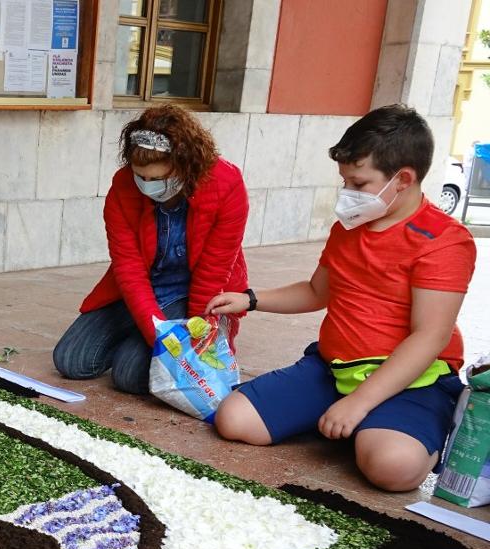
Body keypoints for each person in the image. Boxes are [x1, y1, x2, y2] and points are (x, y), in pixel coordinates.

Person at [208, 105, 475, 492]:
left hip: (412, 381)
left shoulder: (444, 241)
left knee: (393, 469)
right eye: (345, 181)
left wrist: (360, 402)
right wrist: (250, 299)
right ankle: (356, 425)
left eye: (359, 183)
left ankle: (391, 425)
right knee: (233, 420)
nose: (348, 193)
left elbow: (429, 337)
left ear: (402, 179)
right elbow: (317, 291)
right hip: (334, 368)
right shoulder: (348, 228)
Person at [53, 104, 249, 393]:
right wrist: (153, 329)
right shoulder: (122, 188)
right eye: (140, 176)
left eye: (158, 179)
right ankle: (143, 330)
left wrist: (196, 334)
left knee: (128, 375)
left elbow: (213, 269)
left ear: (185, 166)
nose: (147, 186)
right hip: (140, 287)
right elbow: (128, 268)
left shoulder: (226, 184)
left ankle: (155, 335)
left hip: (191, 291)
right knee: (71, 361)